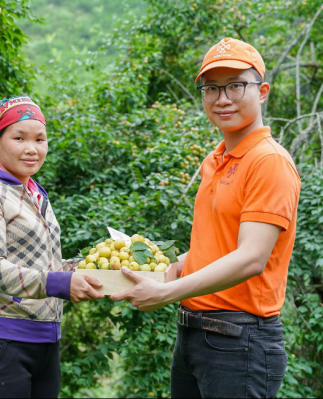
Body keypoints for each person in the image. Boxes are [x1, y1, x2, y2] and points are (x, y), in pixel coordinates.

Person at [111, 38, 302, 398]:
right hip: (194, 337)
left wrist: (166, 292)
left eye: (235, 85)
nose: (222, 98)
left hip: (239, 341)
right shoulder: (216, 161)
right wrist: (171, 266)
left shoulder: (269, 162)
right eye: (211, 88)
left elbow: (251, 258)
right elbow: (217, 245)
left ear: (262, 91)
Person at [0, 96, 104, 398]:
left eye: (40, 139)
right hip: (0, 346)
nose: (32, 148)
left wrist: (91, 270)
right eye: (19, 138)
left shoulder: (36, 193)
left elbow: (45, 268)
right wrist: (61, 282)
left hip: (46, 345)